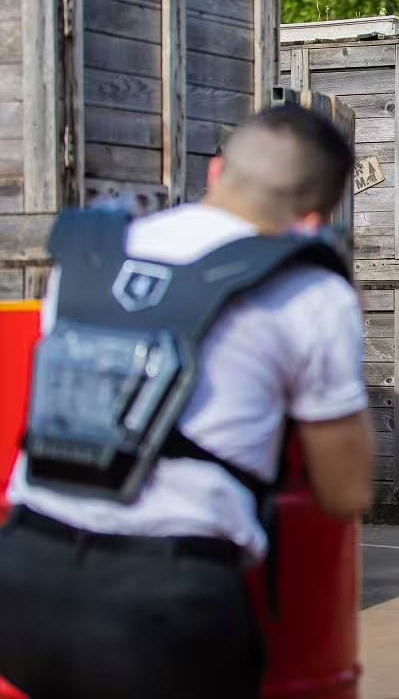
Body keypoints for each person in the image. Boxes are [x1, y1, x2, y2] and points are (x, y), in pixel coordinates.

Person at [0, 104, 375, 697]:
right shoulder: (309, 290)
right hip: (165, 605)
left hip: (23, 577)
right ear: (315, 215)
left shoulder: (92, 255)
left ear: (215, 171)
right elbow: (344, 490)